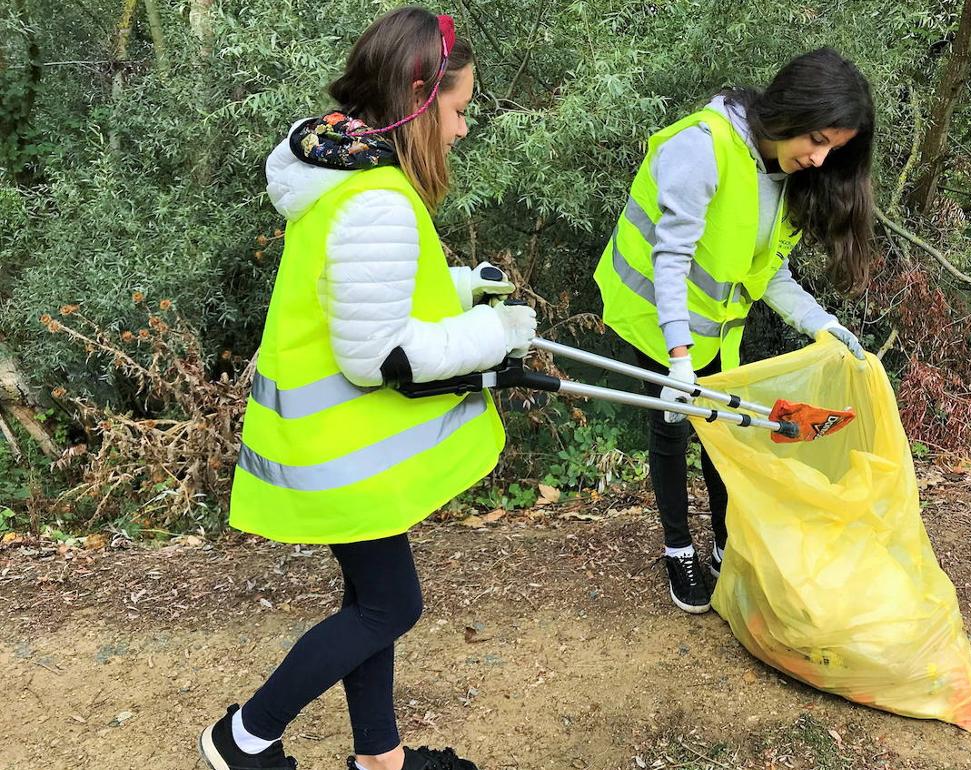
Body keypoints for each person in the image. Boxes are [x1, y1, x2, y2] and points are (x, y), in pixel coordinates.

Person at [199, 8, 535, 770]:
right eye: (458, 110)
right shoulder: (377, 199)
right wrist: (497, 335)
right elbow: (380, 352)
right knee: (391, 605)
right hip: (343, 450)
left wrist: (459, 287)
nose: (461, 130)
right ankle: (243, 738)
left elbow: (363, 295)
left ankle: (379, 760)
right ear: (420, 95)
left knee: (372, 605)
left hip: (334, 445)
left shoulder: (343, 176)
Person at [594, 48, 876, 614]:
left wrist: (824, 324)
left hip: (715, 331)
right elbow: (670, 258)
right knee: (673, 429)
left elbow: (769, 274)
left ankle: (725, 543)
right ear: (791, 110)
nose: (820, 160)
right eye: (818, 140)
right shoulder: (704, 147)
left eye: (834, 150)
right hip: (657, 317)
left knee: (723, 432)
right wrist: (677, 358)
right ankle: (679, 549)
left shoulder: (785, 176)